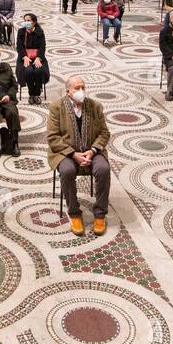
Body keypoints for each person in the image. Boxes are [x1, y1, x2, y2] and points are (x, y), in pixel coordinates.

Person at [47, 76, 112, 236]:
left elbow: (104, 133)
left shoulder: (95, 106)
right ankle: (74, 212)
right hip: (66, 153)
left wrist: (93, 150)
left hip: (91, 151)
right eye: (77, 88)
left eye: (83, 87)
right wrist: (73, 154)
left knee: (103, 169)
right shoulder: (56, 108)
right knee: (67, 171)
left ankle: (100, 214)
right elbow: (53, 137)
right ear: (68, 91)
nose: (81, 91)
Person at [16, 13, 50, 103]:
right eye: (25, 21)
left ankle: (37, 94)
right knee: (28, 71)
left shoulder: (40, 32)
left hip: (38, 57)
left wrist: (38, 58)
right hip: (24, 57)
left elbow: (42, 47)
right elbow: (19, 47)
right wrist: (24, 57)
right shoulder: (21, 32)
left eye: (28, 21)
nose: (26, 22)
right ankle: (31, 94)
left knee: (39, 70)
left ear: (34, 22)